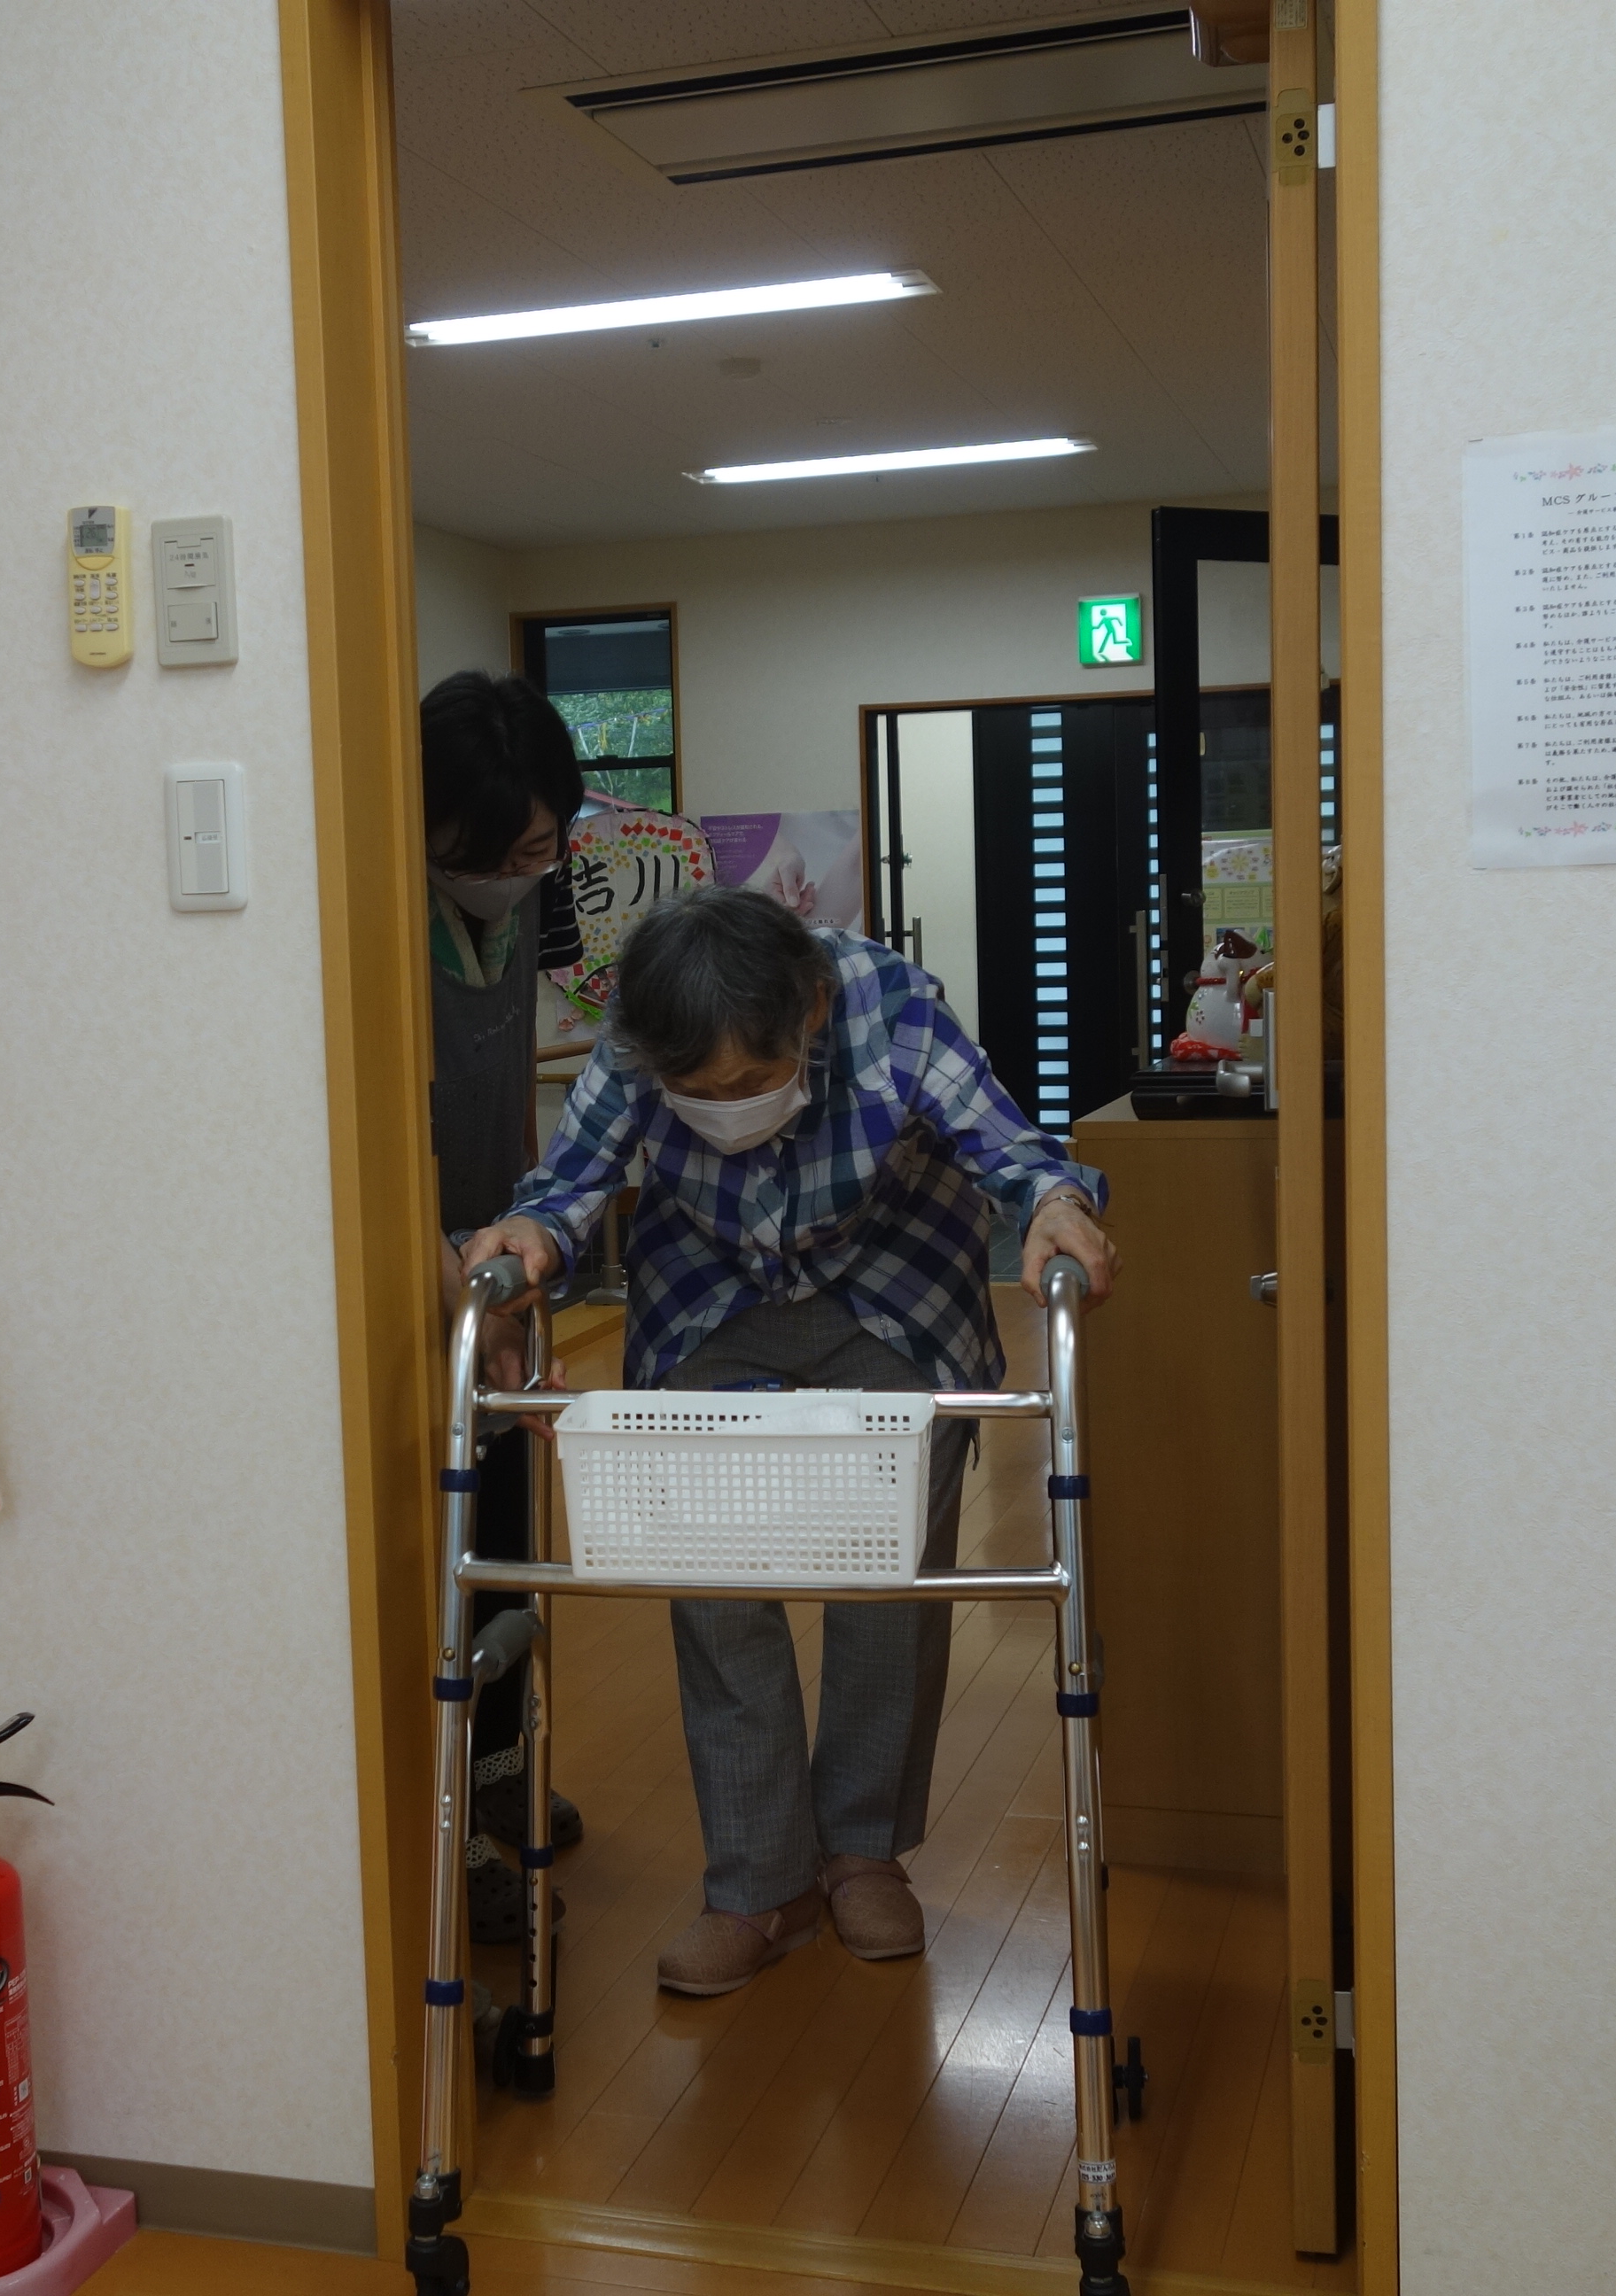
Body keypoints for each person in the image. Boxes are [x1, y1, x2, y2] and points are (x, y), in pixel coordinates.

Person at [456, 888, 1118, 1995]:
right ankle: (759, 1885)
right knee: (715, 1590)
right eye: (699, 1093)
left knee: (886, 1582)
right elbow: (574, 1182)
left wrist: (1055, 1204)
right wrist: (530, 1235)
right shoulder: (644, 1025)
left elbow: (1009, 1148)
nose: (729, 1107)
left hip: (894, 1287)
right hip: (709, 1294)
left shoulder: (889, 1006)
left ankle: (863, 1854)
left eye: (753, 1080)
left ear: (810, 1009)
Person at [417, 670, 588, 1943]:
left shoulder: (523, 908)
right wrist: (460, 1297)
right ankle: (454, 1831)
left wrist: (528, 1257)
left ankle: (508, 1777)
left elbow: (515, 1086)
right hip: (411, 1267)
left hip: (494, 1256)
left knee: (513, 1542)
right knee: (441, 1558)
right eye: (504, 854)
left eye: (544, 848)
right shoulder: (378, 914)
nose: (526, 874)